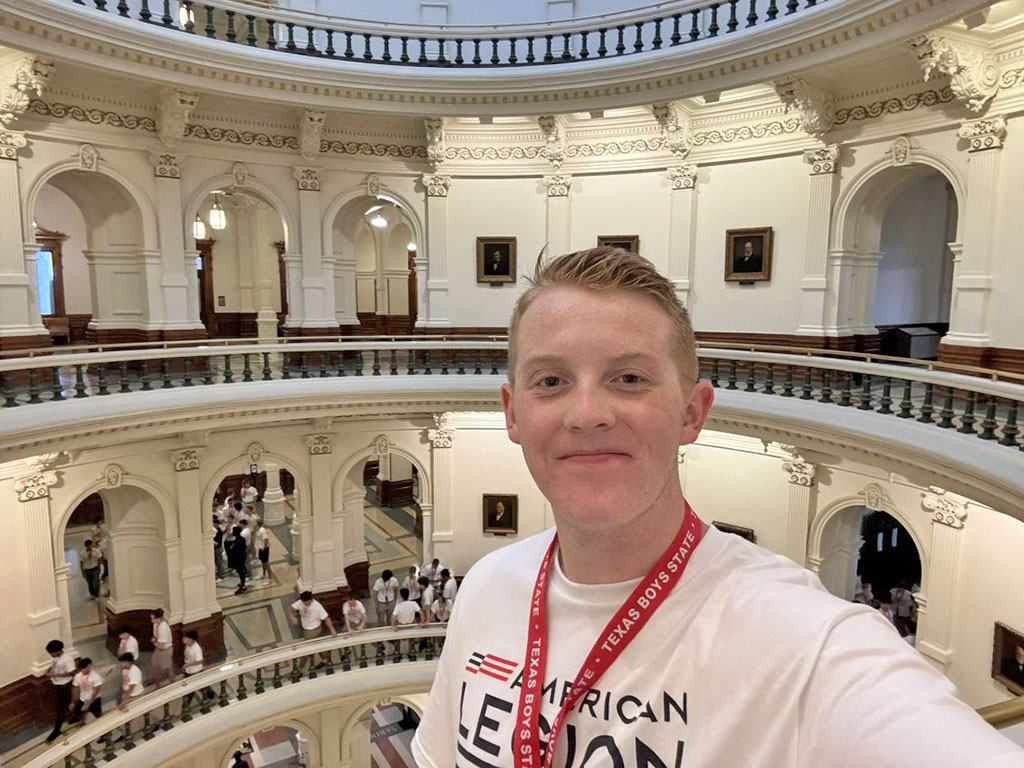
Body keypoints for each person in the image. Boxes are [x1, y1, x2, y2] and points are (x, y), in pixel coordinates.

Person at [411, 247, 1024, 767]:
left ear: (692, 413)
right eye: (550, 381)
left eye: (629, 379)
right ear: (512, 412)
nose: (587, 413)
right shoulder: (490, 587)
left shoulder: (807, 643)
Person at [43, 639, 76, 743]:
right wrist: (49, 671)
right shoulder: (55, 658)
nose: (51, 655)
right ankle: (72, 717)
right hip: (57, 684)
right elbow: (53, 666)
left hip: (64, 686)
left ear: (58, 651)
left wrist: (54, 675)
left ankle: (57, 730)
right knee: (61, 706)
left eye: (52, 653)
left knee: (61, 708)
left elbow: (72, 672)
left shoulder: (67, 659)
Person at [181, 630, 216, 702]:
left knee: (193, 688)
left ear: (191, 639)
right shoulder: (187, 645)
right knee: (197, 686)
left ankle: (187, 703)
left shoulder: (196, 649)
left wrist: (188, 664)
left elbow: (200, 661)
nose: (184, 639)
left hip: (195, 671)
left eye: (186, 638)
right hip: (189, 670)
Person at [69, 657, 104, 724]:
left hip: (94, 699)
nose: (88, 669)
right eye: (85, 668)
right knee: (81, 713)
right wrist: (73, 702)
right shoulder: (78, 676)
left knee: (98, 715)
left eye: (89, 666)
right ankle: (83, 723)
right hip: (83, 698)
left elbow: (95, 691)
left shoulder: (95, 676)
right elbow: (76, 688)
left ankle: (106, 731)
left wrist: (88, 703)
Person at [150, 608, 175, 686]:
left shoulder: (163, 628)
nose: (151, 620)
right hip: (159, 648)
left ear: (158, 618)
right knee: (156, 664)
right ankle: (158, 683)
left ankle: (172, 683)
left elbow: (161, 645)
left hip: (165, 650)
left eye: (153, 618)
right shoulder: (155, 625)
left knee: (167, 667)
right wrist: (155, 641)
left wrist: (154, 642)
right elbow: (155, 636)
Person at [227, 525, 249, 595]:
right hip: (240, 558)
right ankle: (242, 583)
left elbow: (237, 550)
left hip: (239, 559)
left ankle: (243, 586)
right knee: (240, 572)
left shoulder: (239, 540)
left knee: (241, 572)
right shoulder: (240, 539)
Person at [254, 519, 271, 584]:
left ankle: (270, 579)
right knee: (262, 562)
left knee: (266, 563)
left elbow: (266, 539)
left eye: (255, 523)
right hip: (260, 548)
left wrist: (265, 547)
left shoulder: (262, 530)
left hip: (264, 549)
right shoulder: (258, 530)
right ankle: (264, 574)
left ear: (257, 524)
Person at [213, 516, 227, 581]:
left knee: (219, 562)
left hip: (218, 548)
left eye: (214, 524)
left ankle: (221, 575)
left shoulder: (218, 532)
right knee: (217, 562)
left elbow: (217, 542)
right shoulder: (216, 531)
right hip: (216, 548)